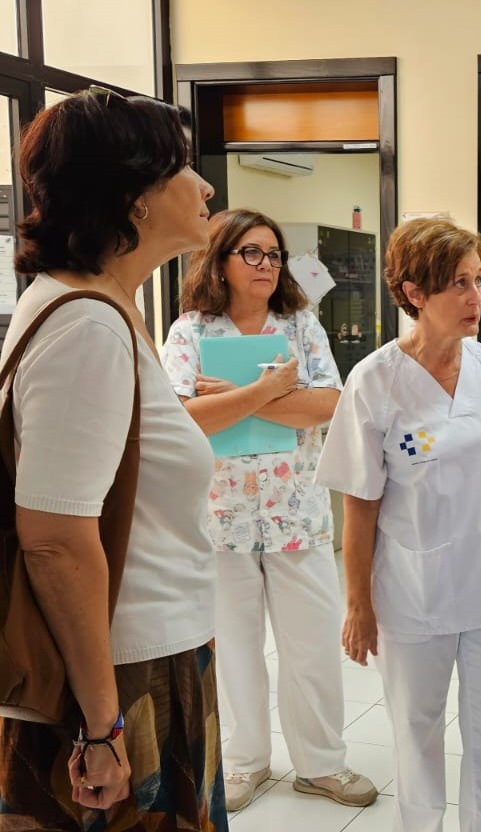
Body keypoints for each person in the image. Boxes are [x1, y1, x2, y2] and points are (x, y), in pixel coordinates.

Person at [0, 87, 225, 829]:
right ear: (130, 196)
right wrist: (103, 726)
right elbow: (56, 539)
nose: (205, 187)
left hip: (147, 652)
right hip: (124, 671)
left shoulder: (109, 308)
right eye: (183, 168)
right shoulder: (87, 326)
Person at [314, 217, 481, 832]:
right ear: (413, 293)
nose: (475, 297)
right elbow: (360, 501)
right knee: (415, 731)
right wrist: (357, 603)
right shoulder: (376, 380)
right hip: (412, 590)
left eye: (477, 280)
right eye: (456, 283)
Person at [161, 209, 377, 811]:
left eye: (274, 254)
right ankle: (243, 764)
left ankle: (321, 764)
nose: (266, 265)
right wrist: (267, 392)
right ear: (220, 260)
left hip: (297, 512)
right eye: (251, 253)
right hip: (219, 517)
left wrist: (233, 399)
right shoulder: (189, 332)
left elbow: (327, 404)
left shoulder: (301, 326)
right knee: (233, 650)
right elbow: (183, 418)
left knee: (309, 646)